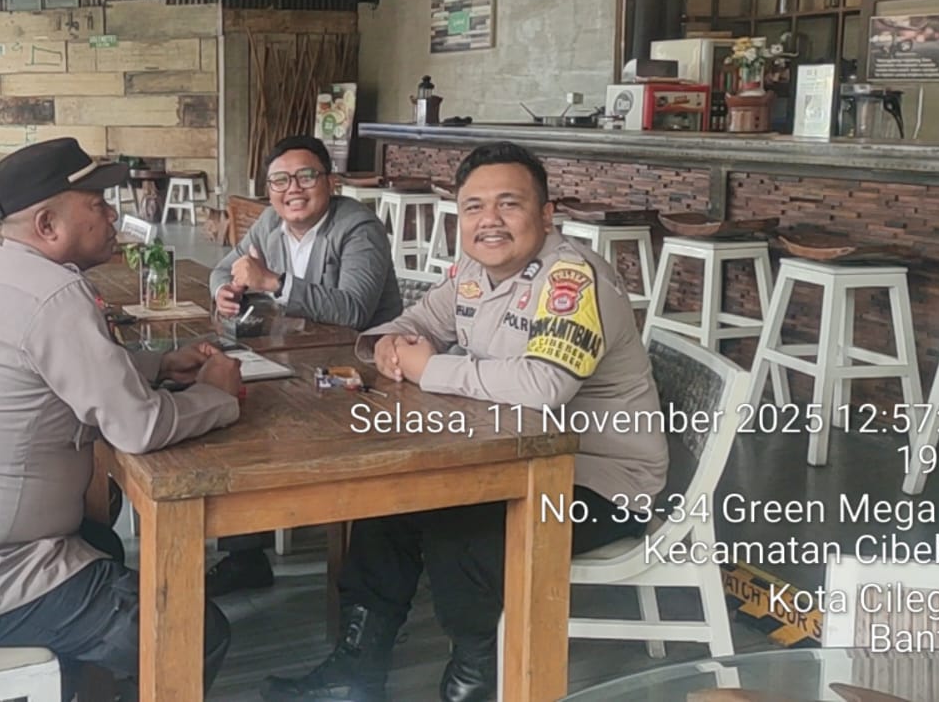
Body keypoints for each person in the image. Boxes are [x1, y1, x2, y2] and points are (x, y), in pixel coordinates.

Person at [263, 142, 670, 702]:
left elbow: (544, 386)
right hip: (510, 458)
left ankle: (474, 681)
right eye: (474, 207)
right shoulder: (474, 273)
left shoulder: (573, 280)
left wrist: (429, 368)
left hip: (600, 482)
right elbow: (409, 322)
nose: (490, 220)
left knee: (461, 529)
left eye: (509, 204)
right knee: (390, 500)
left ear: (546, 215)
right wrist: (388, 345)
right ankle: (353, 673)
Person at [0, 137, 242, 699]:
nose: (113, 216)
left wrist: (155, 364)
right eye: (98, 204)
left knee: (102, 543)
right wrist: (217, 396)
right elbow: (138, 428)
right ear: (49, 225)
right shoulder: (55, 294)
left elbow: (58, 371)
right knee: (192, 632)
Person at [205, 135, 403, 596]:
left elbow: (353, 310)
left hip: (365, 374)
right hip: (299, 361)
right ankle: (245, 556)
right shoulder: (270, 223)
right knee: (239, 408)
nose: (292, 189)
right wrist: (224, 292)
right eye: (280, 180)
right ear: (269, 190)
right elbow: (222, 269)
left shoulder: (358, 227)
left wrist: (273, 282)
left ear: (330, 183)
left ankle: (357, 569)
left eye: (306, 176)